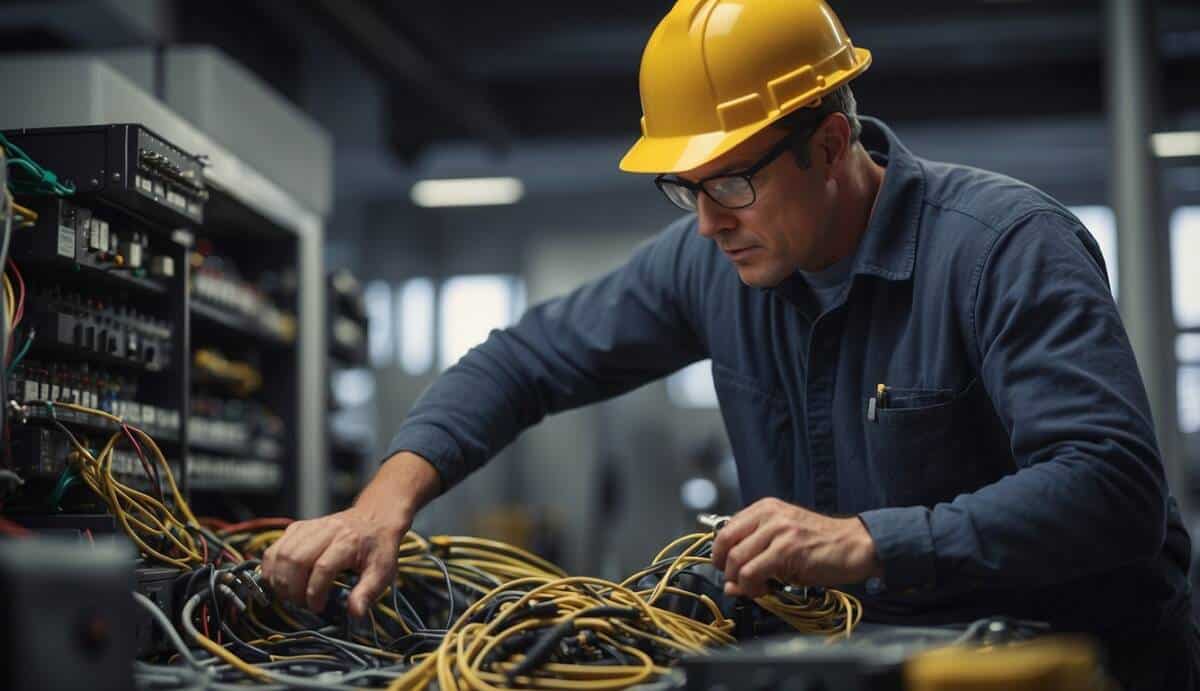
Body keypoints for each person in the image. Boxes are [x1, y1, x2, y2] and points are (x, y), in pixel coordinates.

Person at [263, 1, 1198, 686]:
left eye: (731, 185)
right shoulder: (712, 259)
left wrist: (871, 540)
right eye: (685, 188)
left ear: (831, 146)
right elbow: (525, 360)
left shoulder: (1002, 248)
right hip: (861, 665)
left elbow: (1111, 485)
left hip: (1077, 666)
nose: (707, 223)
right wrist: (381, 504)